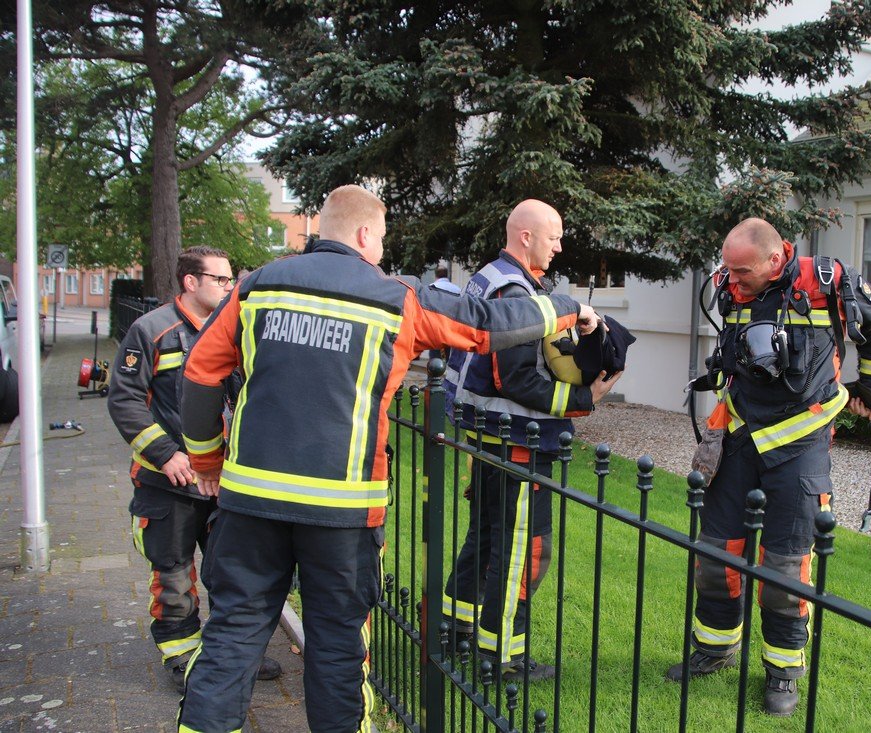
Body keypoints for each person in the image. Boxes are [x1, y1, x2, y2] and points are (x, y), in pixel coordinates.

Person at [176, 185, 600, 733]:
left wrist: (207, 461)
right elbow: (486, 326)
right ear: (364, 234)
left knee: (233, 635)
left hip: (250, 504)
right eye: (381, 238)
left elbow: (200, 374)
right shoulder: (396, 298)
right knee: (335, 645)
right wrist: (568, 309)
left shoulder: (257, 286)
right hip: (343, 514)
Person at [667, 218, 871, 717]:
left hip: (801, 445)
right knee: (714, 554)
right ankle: (714, 648)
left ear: (776, 260)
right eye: (726, 268)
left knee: (784, 568)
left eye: (741, 269)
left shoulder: (829, 282)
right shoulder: (733, 288)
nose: (731, 279)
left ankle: (783, 672)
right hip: (740, 437)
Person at [442, 199, 622, 682]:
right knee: (523, 549)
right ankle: (501, 657)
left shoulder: (489, 276)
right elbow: (516, 378)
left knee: (484, 537)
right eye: (554, 236)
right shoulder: (515, 290)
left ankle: (456, 631)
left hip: (487, 436)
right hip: (517, 441)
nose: (560, 246)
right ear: (526, 236)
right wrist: (585, 396)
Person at [107, 246, 282, 692]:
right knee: (172, 574)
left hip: (223, 481)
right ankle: (183, 658)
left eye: (230, 280)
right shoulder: (151, 331)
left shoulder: (232, 330)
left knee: (234, 574)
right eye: (221, 280)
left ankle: (229, 654)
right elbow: (125, 400)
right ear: (191, 281)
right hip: (168, 482)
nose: (229, 288)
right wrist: (166, 454)